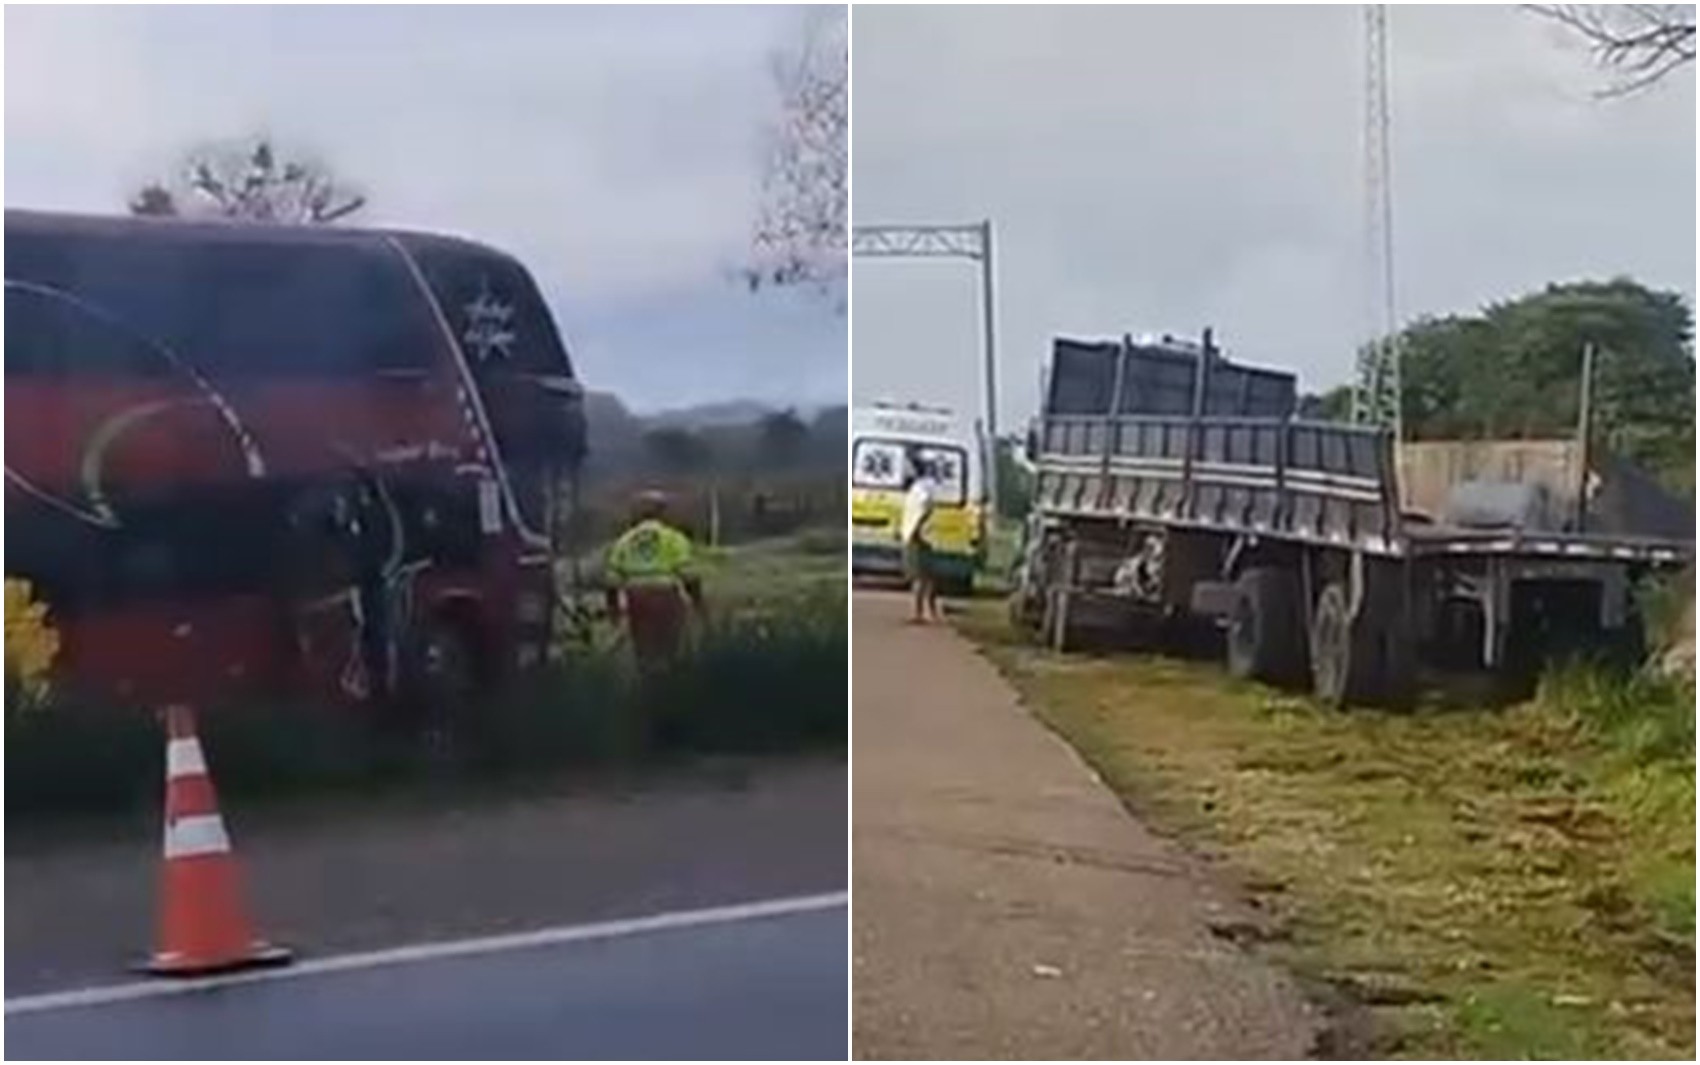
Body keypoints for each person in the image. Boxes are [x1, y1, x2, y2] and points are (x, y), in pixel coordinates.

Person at [604, 490, 705, 669]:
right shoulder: (673, 538)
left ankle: (647, 685)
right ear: (662, 512)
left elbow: (612, 581)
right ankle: (667, 685)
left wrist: (614, 614)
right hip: (665, 597)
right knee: (670, 649)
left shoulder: (624, 541)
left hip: (636, 599)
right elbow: (689, 576)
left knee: (644, 651)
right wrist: (699, 604)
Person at [901, 454, 942, 624]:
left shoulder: (920, 488)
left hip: (917, 536)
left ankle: (919, 613)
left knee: (919, 577)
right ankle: (932, 612)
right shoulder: (925, 486)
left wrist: (916, 527)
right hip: (923, 535)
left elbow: (927, 506)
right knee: (928, 577)